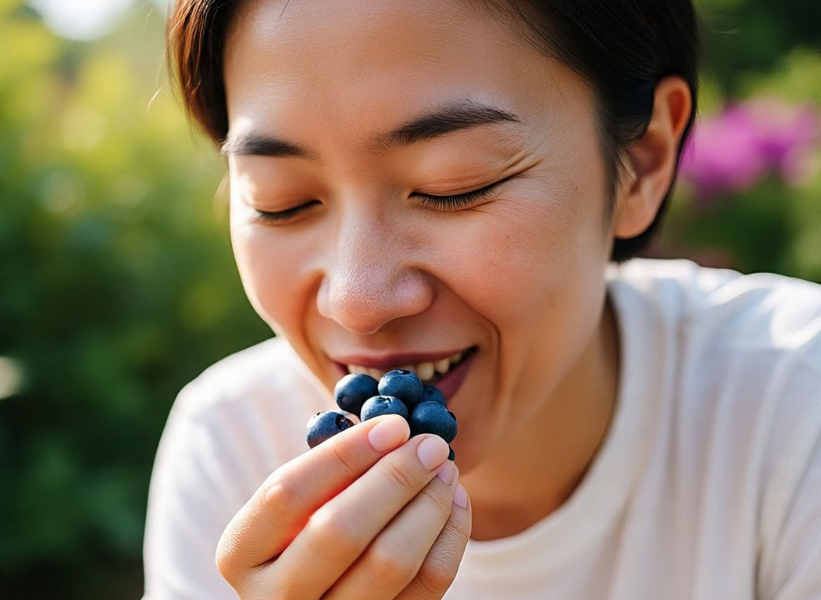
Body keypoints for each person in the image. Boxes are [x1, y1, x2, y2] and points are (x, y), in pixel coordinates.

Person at [142, 0, 821, 598]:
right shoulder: (231, 449)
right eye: (282, 201)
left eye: (451, 187)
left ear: (641, 161)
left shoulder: (792, 407)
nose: (357, 302)